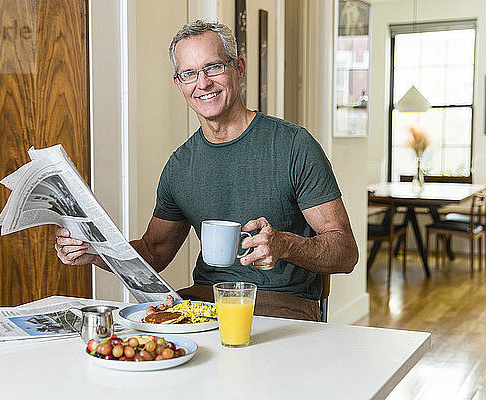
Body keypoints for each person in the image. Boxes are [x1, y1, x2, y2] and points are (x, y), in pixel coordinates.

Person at [55, 20, 358, 321]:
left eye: (213, 67)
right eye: (189, 73)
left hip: (280, 306)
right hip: (203, 304)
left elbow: (345, 251)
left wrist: (284, 245)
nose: (203, 83)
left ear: (238, 69)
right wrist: (96, 251)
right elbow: (154, 250)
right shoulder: (180, 166)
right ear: (179, 83)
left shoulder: (293, 145)